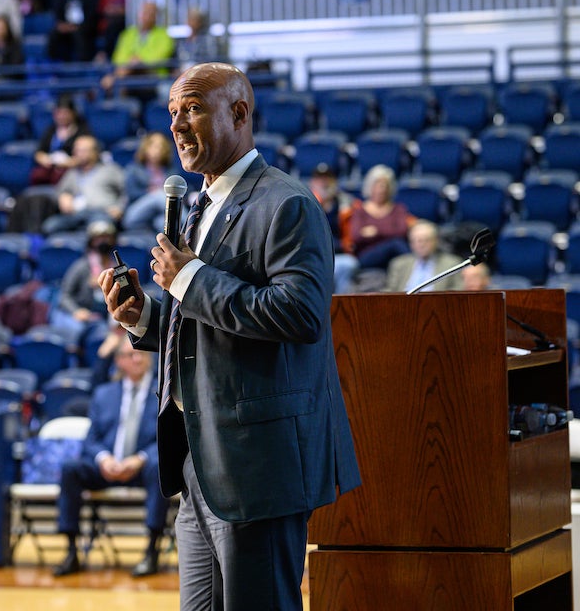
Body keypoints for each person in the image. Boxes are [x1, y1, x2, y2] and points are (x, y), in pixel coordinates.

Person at [98, 62, 360, 609]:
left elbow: (300, 314)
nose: (177, 126)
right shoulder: (200, 207)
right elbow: (204, 326)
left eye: (192, 109)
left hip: (256, 466)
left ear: (239, 113)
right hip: (198, 460)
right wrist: (142, 318)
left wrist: (190, 278)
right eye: (172, 113)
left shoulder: (286, 204)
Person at [52, 336, 166, 578]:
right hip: (108, 467)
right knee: (70, 468)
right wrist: (104, 459)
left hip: (142, 468)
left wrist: (140, 459)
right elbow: (91, 440)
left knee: (158, 467)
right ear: (119, 361)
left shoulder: (162, 392)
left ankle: (151, 551)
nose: (136, 358)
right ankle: (71, 551)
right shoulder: (104, 394)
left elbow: (170, 438)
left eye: (141, 353)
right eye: (130, 354)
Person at [50, 219, 120, 343]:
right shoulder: (81, 266)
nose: (103, 241)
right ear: (92, 241)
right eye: (99, 238)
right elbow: (64, 295)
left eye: (106, 237)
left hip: (107, 316)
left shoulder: (119, 268)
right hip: (81, 314)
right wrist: (76, 311)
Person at [41, 135, 126, 234]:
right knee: (50, 226)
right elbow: (60, 191)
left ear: (95, 152)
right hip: (75, 214)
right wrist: (62, 197)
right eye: (76, 150)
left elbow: (125, 191)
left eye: (83, 150)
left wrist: (119, 208)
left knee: (99, 229)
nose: (78, 153)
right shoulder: (72, 173)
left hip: (101, 212)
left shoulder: (110, 170)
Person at [340, 164, 415, 271]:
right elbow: (356, 236)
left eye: (385, 185)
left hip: (394, 256)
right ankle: (415, 268)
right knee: (395, 244)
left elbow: (402, 232)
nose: (382, 190)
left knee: (397, 245)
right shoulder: (360, 210)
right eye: (378, 185)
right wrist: (389, 232)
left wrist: (376, 232)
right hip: (367, 256)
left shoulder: (398, 209)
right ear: (370, 187)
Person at [100, 1, 175, 95]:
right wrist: (133, 62)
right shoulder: (128, 34)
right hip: (128, 75)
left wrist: (138, 61)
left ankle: (114, 78)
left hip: (153, 77)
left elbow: (159, 58)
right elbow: (118, 59)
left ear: (156, 16)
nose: (146, 16)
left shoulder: (164, 35)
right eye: (144, 12)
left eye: (151, 13)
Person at [307, 164, 358, 294]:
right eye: (320, 178)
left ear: (334, 181)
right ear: (313, 182)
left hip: (339, 254)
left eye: (327, 178)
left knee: (349, 264)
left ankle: (341, 306)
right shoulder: (306, 202)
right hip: (314, 255)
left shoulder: (346, 202)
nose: (324, 182)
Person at [122, 132, 184, 232]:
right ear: (146, 148)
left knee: (161, 222)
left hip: (160, 214)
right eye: (154, 146)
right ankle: (186, 223)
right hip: (134, 214)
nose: (158, 150)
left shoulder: (172, 170)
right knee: (161, 194)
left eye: (162, 147)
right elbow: (131, 194)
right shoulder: (133, 169)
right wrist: (150, 193)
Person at [384, 220, 464, 293]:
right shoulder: (399, 264)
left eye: (426, 240)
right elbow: (389, 292)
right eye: (418, 241)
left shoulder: (452, 263)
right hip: (403, 305)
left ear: (436, 241)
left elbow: (457, 292)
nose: (422, 245)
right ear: (411, 243)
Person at [31, 96, 92, 186]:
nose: (62, 116)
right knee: (37, 175)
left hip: (72, 168)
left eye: (65, 113)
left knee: (60, 176)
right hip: (51, 167)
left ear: (73, 113)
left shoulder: (82, 131)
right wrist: (45, 159)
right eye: (59, 113)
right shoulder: (51, 129)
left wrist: (68, 163)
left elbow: (87, 154)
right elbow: (39, 152)